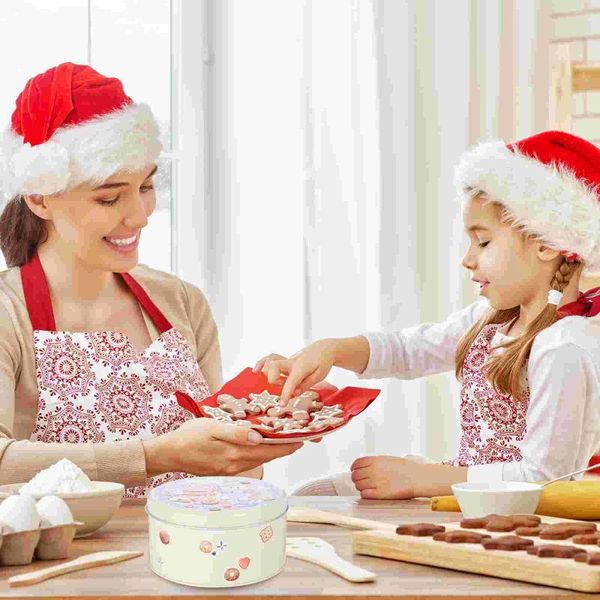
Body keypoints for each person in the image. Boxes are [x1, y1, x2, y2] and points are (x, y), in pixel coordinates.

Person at [0, 62, 303, 498]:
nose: (140, 215)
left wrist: (264, 416)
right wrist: (155, 456)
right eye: (109, 197)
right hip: (72, 558)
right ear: (39, 198)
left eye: (145, 187)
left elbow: (224, 470)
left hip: (191, 551)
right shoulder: (9, 314)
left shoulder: (180, 301)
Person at [255, 130, 600, 499]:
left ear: (546, 244)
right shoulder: (490, 319)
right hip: (467, 497)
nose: (468, 258)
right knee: (314, 494)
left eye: (483, 241)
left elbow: (544, 477)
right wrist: (332, 350)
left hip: (511, 518)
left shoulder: (564, 346)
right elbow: (407, 350)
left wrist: (421, 479)